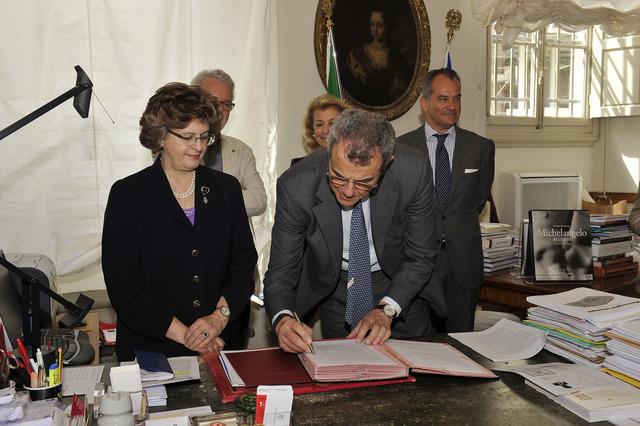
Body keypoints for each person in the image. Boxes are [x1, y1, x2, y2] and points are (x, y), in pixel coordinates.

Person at [264, 109, 442, 353]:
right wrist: (282, 318)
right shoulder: (296, 185)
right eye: (338, 177)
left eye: (363, 182)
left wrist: (388, 309)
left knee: (412, 366)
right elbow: (282, 269)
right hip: (336, 287)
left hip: (400, 285)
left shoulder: (413, 170)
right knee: (343, 367)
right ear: (329, 152)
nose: (348, 191)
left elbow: (420, 255)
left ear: (387, 163)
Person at [102, 83, 257, 361]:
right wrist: (188, 336)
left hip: (221, 342)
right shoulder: (128, 195)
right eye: (187, 137)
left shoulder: (227, 189)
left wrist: (218, 318)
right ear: (160, 136)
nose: (198, 147)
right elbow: (124, 286)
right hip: (154, 350)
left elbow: (243, 262)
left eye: (204, 137)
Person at [397, 68, 495, 333]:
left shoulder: (481, 148)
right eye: (443, 98)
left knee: (462, 344)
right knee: (416, 345)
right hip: (416, 265)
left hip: (462, 266)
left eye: (457, 98)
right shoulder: (400, 148)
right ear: (424, 103)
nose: (452, 106)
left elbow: (478, 200)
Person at [191, 69, 267, 218]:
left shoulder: (241, 150)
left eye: (226, 104)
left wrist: (210, 199)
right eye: (213, 101)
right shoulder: (177, 144)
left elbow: (259, 200)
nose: (220, 109)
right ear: (194, 101)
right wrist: (234, 192)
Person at [345, 4, 409, 106]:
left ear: (388, 26)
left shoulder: (396, 59)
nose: (375, 30)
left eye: (380, 25)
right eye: (372, 24)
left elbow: (398, 95)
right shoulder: (357, 54)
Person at [291, 94, 348, 166]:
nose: (325, 130)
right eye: (319, 124)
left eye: (332, 123)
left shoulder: (359, 163)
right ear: (312, 130)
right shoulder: (299, 166)